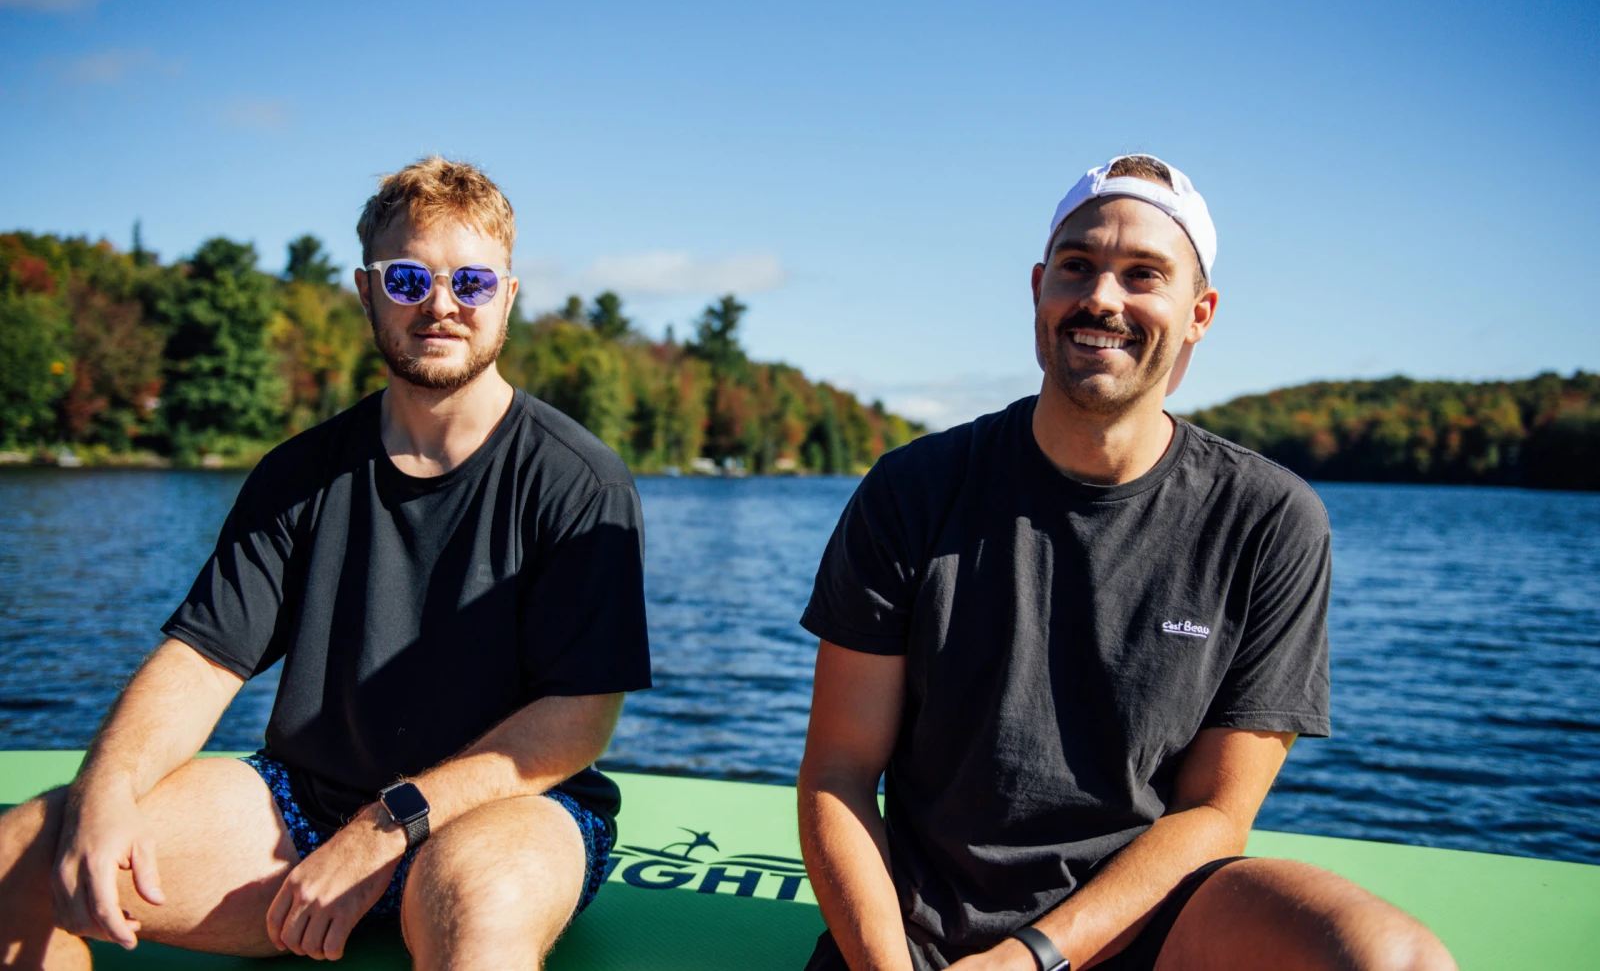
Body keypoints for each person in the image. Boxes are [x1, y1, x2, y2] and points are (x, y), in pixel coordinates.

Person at [796, 155, 1456, 971]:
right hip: (923, 939)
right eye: (1078, 266)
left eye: (1144, 274)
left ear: (1199, 312)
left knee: (1396, 958)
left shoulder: (1270, 521)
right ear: (1039, 286)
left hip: (1147, 928)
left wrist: (1032, 957)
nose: (1102, 297)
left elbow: (1215, 811)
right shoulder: (915, 489)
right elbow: (838, 769)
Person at [0, 157, 653, 969]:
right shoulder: (297, 475)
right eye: (409, 278)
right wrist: (104, 790)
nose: (441, 305)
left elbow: (576, 720)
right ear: (366, 289)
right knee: (24, 849)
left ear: (509, 297)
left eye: (473, 283)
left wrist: (390, 826)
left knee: (479, 917)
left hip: (512, 811)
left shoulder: (578, 481)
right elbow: (202, 662)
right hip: (304, 806)